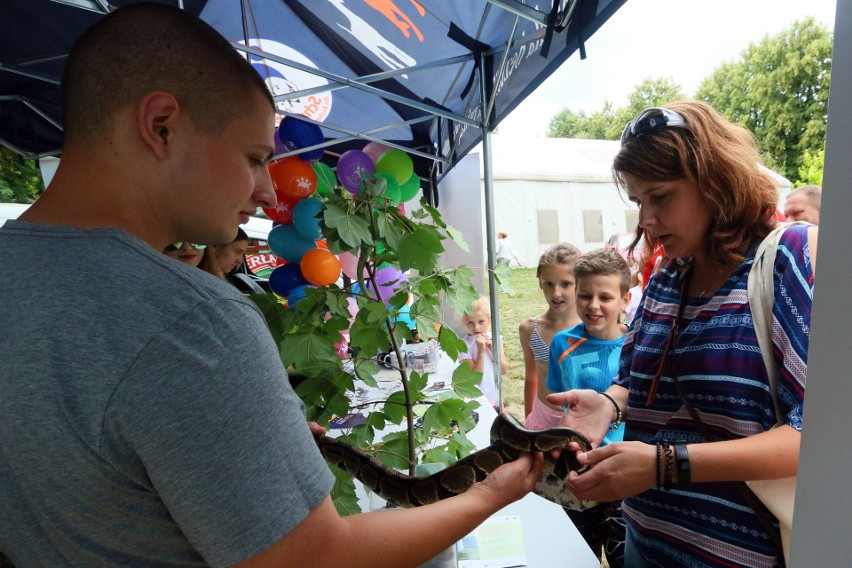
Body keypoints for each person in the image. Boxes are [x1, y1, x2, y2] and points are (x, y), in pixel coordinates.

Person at [0, 4, 543, 567]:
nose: (267, 192)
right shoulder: (197, 324)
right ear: (161, 125)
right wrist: (488, 494)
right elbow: (315, 560)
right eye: (256, 158)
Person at [550, 101, 817, 567]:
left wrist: (662, 465)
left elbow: (811, 436)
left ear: (714, 181)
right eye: (638, 202)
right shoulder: (668, 276)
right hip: (642, 541)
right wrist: (609, 403)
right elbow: (635, 378)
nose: (646, 220)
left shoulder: (786, 260)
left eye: (660, 197)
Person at [545, 247, 630, 567]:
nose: (593, 306)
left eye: (605, 297)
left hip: (624, 473)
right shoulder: (561, 344)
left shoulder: (638, 346)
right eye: (585, 295)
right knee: (580, 553)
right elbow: (557, 399)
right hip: (575, 470)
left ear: (625, 298)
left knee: (624, 555)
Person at [518, 242, 582, 429]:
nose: (556, 293)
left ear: (580, 283)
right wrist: (528, 423)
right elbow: (531, 378)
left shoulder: (592, 329)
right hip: (543, 419)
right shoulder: (530, 329)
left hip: (580, 421)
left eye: (565, 284)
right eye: (549, 284)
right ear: (540, 283)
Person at [459, 296, 509, 408]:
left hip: (495, 396)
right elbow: (475, 378)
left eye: (481, 321)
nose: (476, 327)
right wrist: (481, 352)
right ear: (464, 323)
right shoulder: (462, 345)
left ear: (489, 320)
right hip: (476, 400)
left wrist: (493, 351)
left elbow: (503, 370)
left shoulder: (495, 338)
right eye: (470, 323)